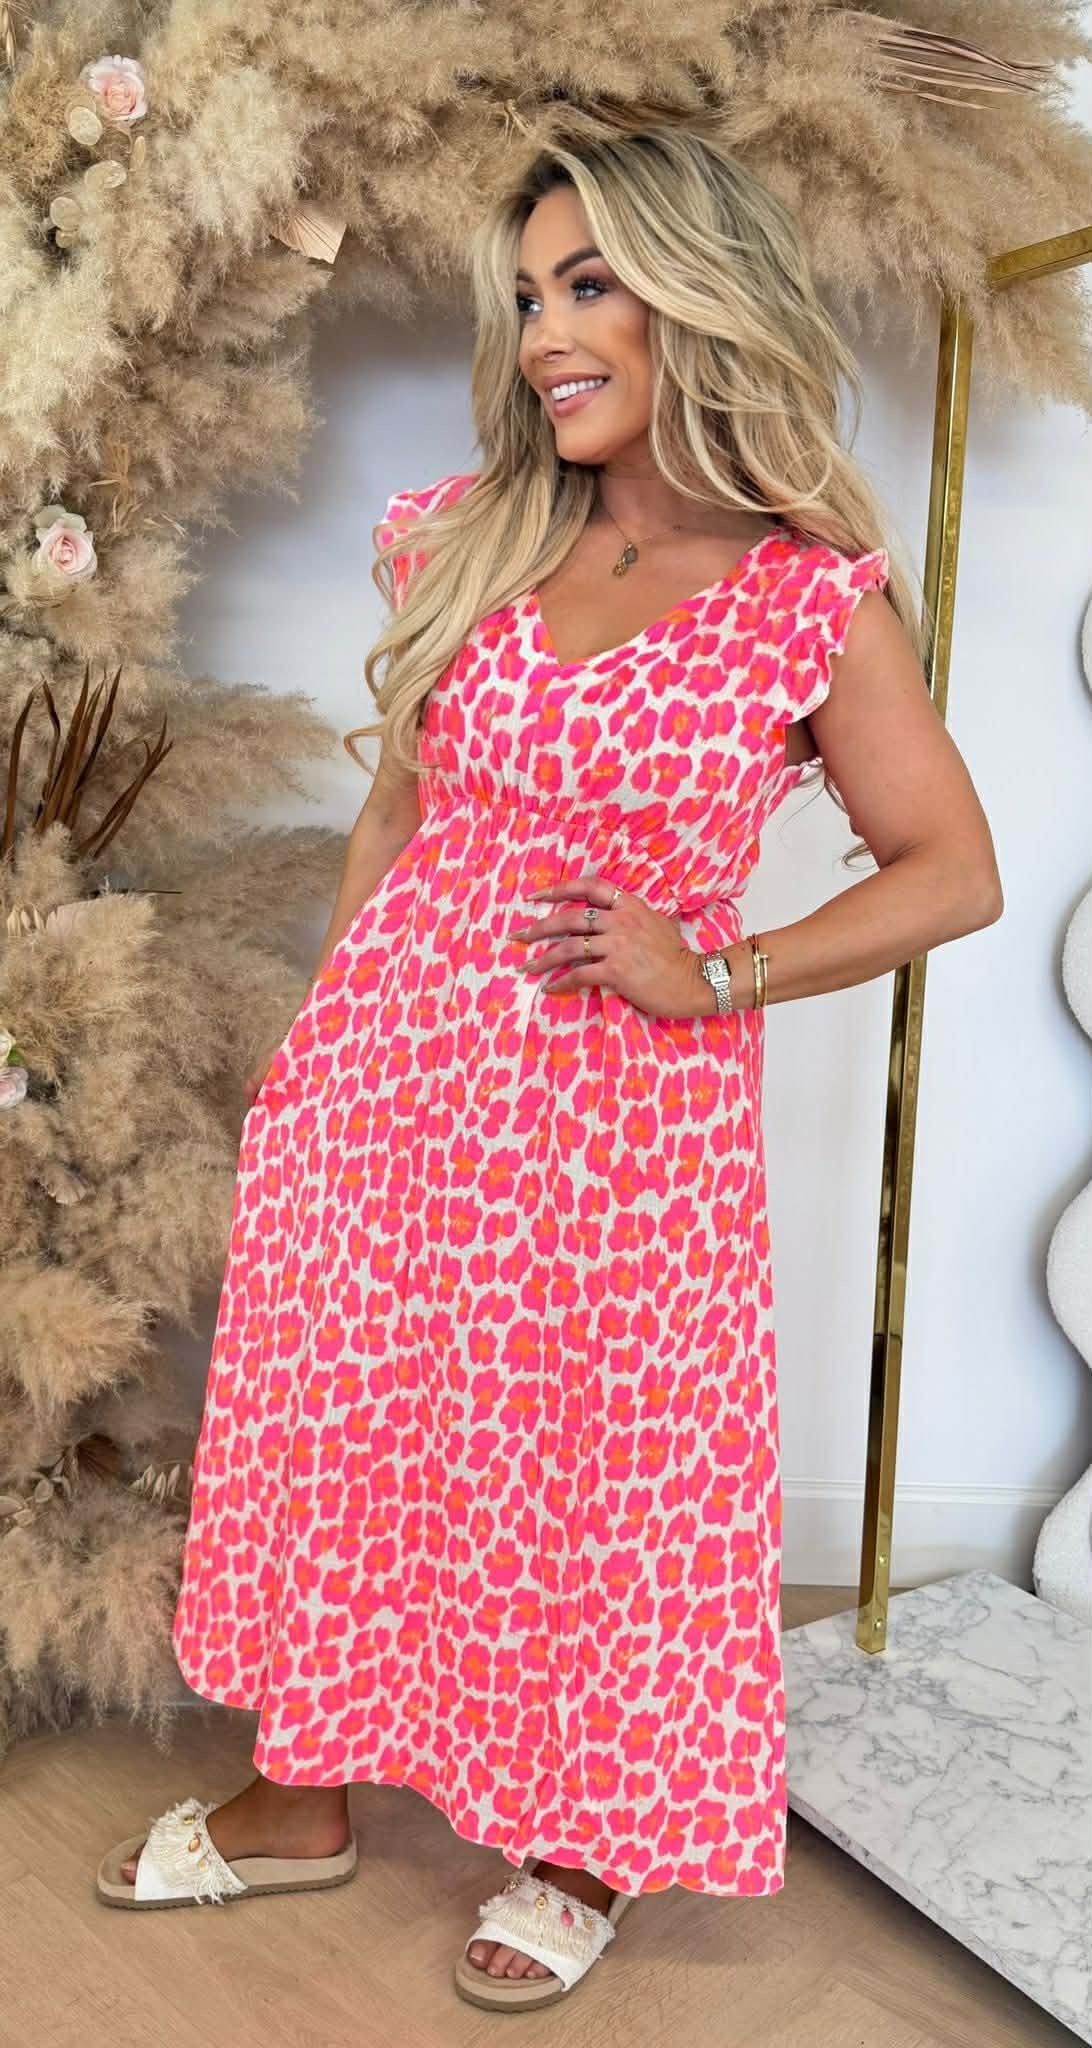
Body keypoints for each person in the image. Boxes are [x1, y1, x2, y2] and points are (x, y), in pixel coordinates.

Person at [96, 123, 1002, 2010]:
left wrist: (720, 966)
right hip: (389, 1092)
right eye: (527, 298)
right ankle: (303, 1793)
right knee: (345, 1433)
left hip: (617, 1134)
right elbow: (398, 815)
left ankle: (583, 1838)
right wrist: (323, 1046)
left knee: (603, 1474)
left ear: (699, 296)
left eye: (590, 287)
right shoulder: (467, 537)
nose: (545, 338)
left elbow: (953, 872)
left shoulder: (806, 600)